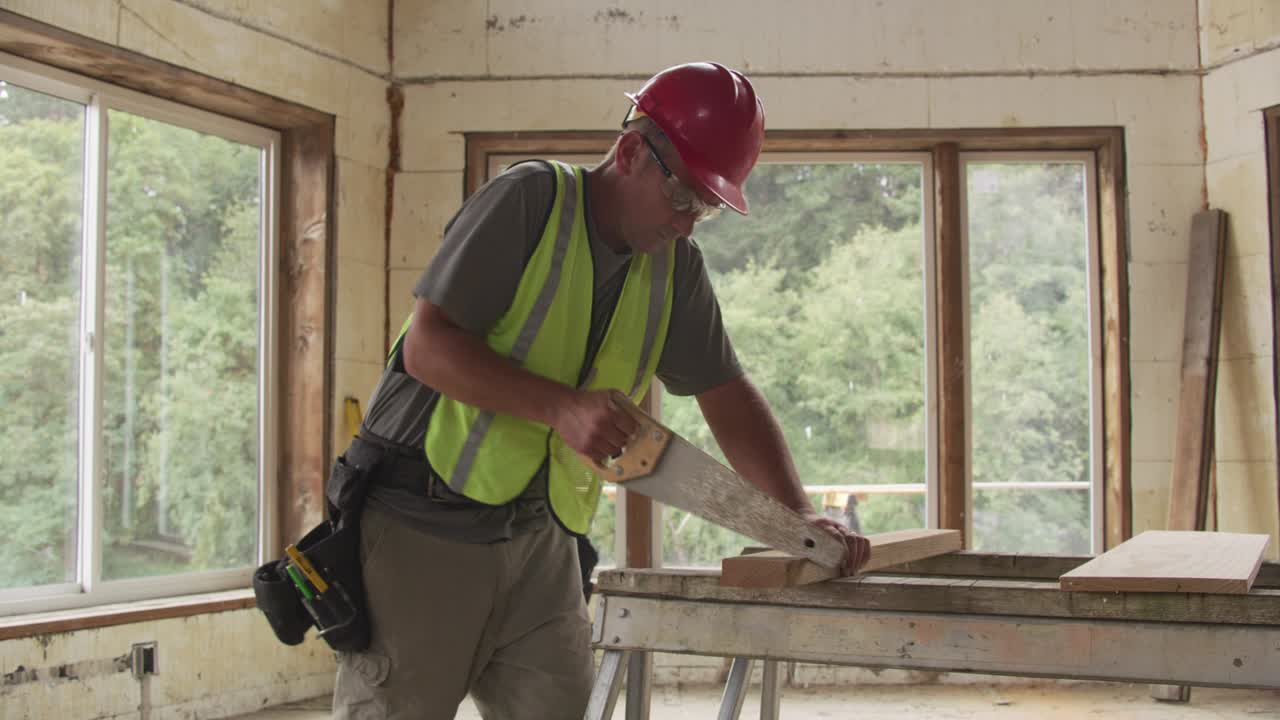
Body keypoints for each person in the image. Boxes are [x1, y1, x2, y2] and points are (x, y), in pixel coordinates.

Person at [330, 61, 870, 720]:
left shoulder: (676, 270)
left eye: (706, 206)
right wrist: (560, 408)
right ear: (631, 151)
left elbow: (725, 392)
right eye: (682, 197)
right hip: (422, 526)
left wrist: (794, 520)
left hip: (541, 541)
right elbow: (428, 348)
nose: (688, 223)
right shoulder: (528, 201)